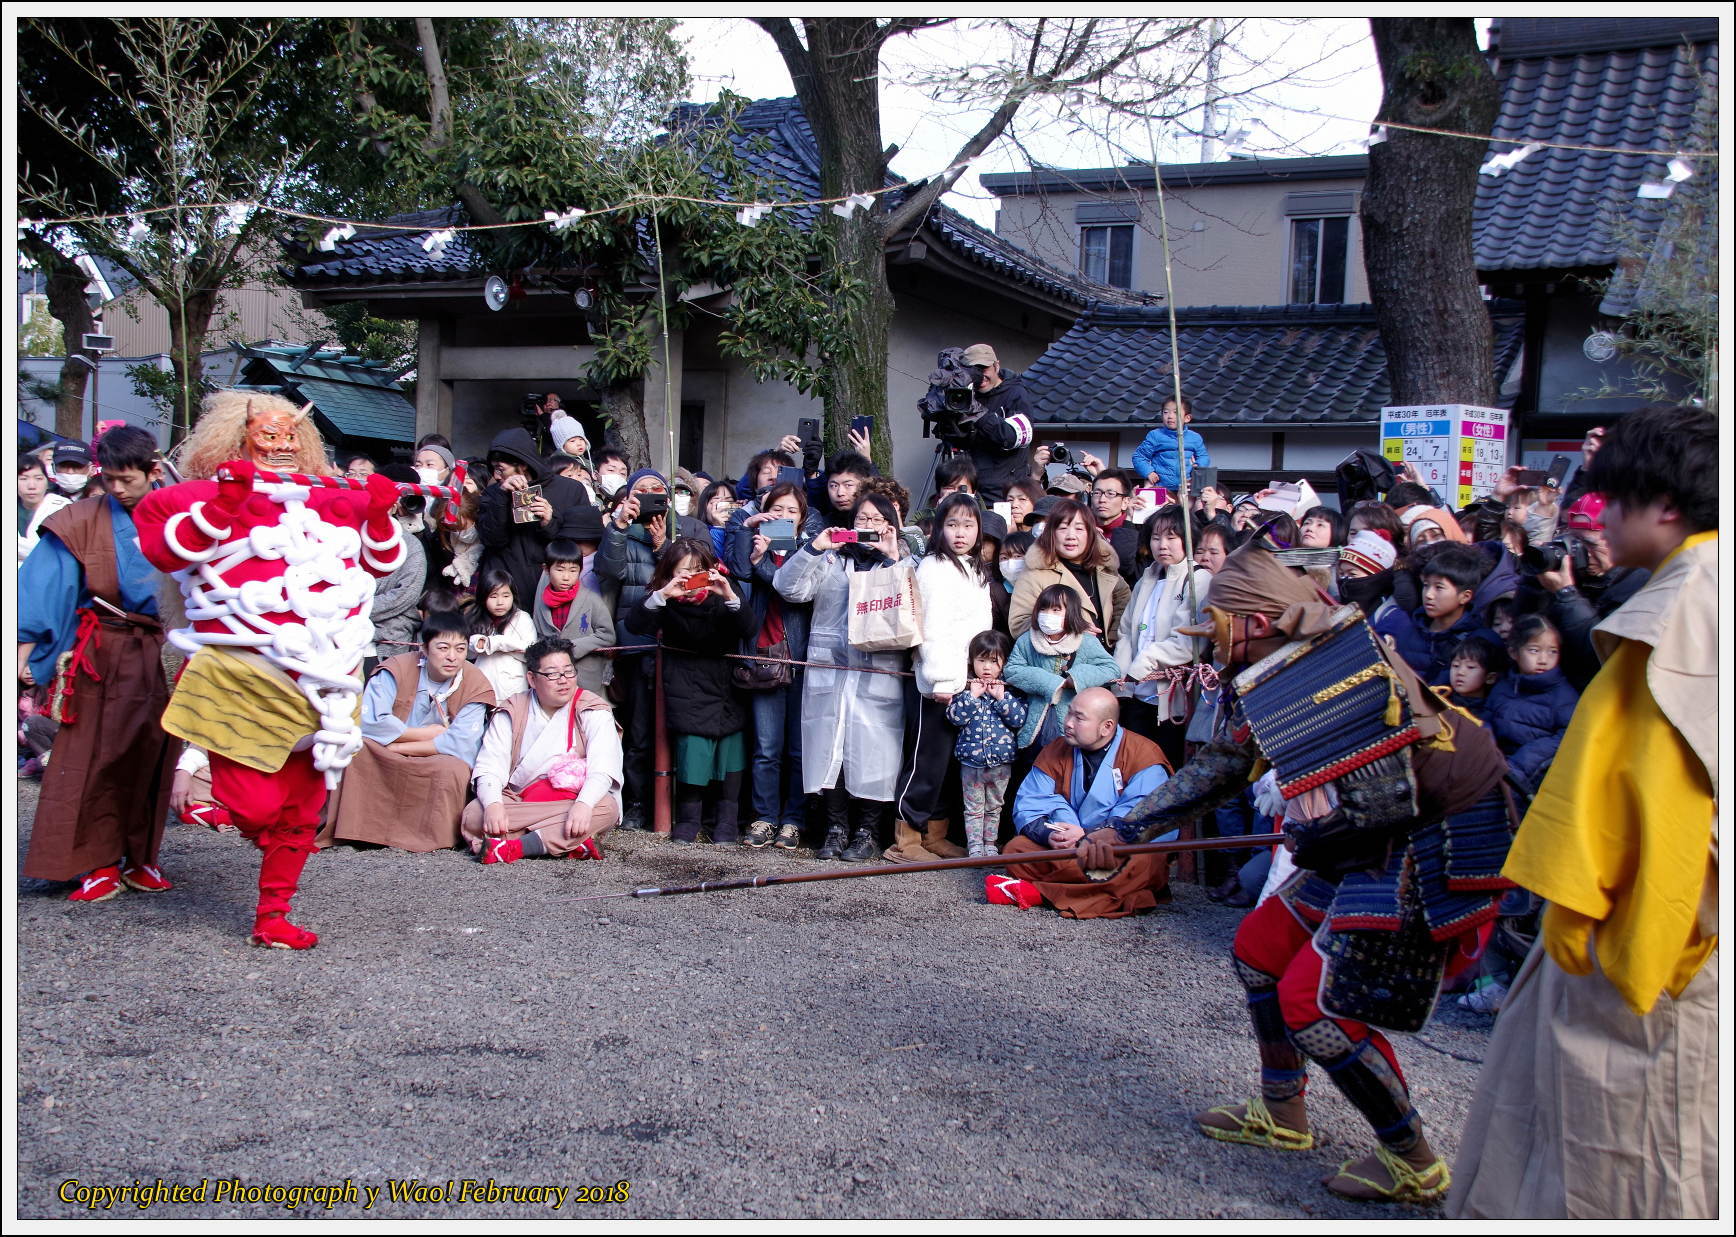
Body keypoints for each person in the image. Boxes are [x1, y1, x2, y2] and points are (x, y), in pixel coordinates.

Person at [1123, 530, 1513, 1204]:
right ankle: (1283, 1111)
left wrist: (1308, 841)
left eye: (1217, 627)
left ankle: (1413, 1158)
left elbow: (1378, 808)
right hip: (1374, 828)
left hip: (1427, 837)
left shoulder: (1334, 667)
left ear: (1253, 623)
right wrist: (1126, 827)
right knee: (1258, 949)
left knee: (1314, 1002)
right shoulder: (1285, 660)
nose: (1211, 641)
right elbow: (1230, 760)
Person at [1449, 403, 1717, 1220]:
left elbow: (1670, 820)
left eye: (1612, 497)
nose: (1594, 514)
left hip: (1654, 958)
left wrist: (1644, 954)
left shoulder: (1681, 617)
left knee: (1624, 1170)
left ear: (1665, 504)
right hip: (1670, 950)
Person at [133, 392, 408, 948]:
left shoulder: (333, 500)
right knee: (255, 802)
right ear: (236, 441)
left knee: (305, 808)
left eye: (291, 438)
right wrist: (222, 505)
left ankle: (273, 915)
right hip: (243, 668)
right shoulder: (191, 498)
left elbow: (382, 562)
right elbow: (167, 553)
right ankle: (258, 838)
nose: (282, 447)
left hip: (329, 670)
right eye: (268, 437)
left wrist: (379, 513)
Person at [18, 425, 179, 904]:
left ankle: (141, 856)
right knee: (95, 757)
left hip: (164, 649)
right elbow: (47, 590)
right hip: (101, 652)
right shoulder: (81, 520)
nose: (116, 488)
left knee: (154, 755)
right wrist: (24, 651)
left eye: (126, 479)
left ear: (153, 471)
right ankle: (96, 860)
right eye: (108, 478)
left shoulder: (183, 517)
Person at [773, 494, 912, 862]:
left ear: (891, 524)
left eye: (877, 518)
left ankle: (866, 832)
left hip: (877, 672)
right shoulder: (833, 559)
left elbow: (914, 606)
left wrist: (894, 558)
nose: (868, 523)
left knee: (874, 754)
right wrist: (815, 548)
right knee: (829, 750)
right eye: (861, 516)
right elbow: (789, 588)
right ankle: (835, 829)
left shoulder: (905, 560)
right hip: (830, 670)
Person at [318, 611, 495, 852]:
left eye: (460, 649)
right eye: (443, 648)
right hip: (389, 747)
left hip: (432, 755)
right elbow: (370, 721)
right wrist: (423, 734)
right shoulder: (396, 669)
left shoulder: (476, 682)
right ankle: (357, 830)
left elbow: (460, 742)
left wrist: (399, 747)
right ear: (424, 647)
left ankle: (431, 838)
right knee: (355, 750)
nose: (452, 657)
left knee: (453, 769)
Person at [992, 687, 1172, 918]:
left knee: (1145, 862)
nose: (1068, 723)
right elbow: (1029, 803)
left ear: (1106, 726)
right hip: (1068, 850)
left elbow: (1143, 818)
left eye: (1079, 718)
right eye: (1069, 713)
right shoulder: (1056, 750)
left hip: (1114, 849)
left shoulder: (1143, 754)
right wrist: (1050, 835)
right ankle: (1105, 894)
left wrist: (1087, 835)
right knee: (1016, 850)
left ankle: (1040, 893)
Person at [625, 538, 756, 845]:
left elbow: (749, 629)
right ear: (670, 572)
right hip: (685, 681)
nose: (691, 578)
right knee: (692, 751)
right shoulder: (666, 598)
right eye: (683, 571)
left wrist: (729, 596)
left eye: (698, 570)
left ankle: (726, 819)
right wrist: (662, 595)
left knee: (730, 752)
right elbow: (634, 625)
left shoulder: (724, 589)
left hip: (725, 681)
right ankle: (689, 819)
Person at [598, 468, 708, 829]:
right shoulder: (622, 528)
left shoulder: (688, 529)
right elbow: (607, 571)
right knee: (640, 728)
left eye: (656, 491)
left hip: (680, 642)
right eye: (640, 490)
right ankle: (637, 804)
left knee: (679, 726)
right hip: (636, 641)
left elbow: (699, 577)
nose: (648, 496)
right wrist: (618, 526)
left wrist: (664, 546)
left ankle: (683, 809)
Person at [890, 492, 993, 863]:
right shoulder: (933, 566)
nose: (960, 532)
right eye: (952, 524)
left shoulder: (974, 568)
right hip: (936, 681)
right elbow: (930, 629)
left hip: (966, 680)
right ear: (939, 529)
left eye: (968, 524)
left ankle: (935, 833)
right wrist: (940, 680)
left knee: (950, 763)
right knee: (926, 760)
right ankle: (907, 839)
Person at [461, 637, 622, 864]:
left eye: (568, 672)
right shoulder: (513, 708)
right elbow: (491, 763)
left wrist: (584, 805)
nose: (563, 681)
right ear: (532, 679)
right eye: (553, 674)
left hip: (571, 800)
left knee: (605, 808)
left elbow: (603, 768)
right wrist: (494, 805)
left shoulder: (592, 709)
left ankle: (514, 846)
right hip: (519, 798)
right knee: (474, 814)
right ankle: (568, 842)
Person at [727, 481, 819, 850]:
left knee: (797, 748)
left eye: (791, 512)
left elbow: (788, 590)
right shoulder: (755, 541)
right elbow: (741, 572)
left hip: (798, 660)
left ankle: (793, 820)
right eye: (776, 510)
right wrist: (748, 532)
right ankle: (764, 816)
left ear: (802, 520)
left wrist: (766, 561)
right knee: (766, 746)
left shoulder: (809, 552)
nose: (783, 517)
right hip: (763, 656)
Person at [1114, 504, 1211, 767]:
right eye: (1156, 537)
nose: (1162, 545)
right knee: (1132, 765)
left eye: (1171, 537)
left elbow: (1187, 641)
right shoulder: (1148, 578)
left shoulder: (1198, 580)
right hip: (1136, 692)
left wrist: (1143, 664)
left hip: (1172, 696)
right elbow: (1126, 631)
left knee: (1166, 763)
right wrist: (1123, 679)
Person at [1523, 492, 1650, 690]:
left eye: (1590, 544)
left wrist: (1567, 595)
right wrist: (1533, 580)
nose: (1582, 553)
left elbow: (1601, 655)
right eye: (1575, 543)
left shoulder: (1642, 582)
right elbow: (1520, 634)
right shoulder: (1568, 575)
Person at [476, 427, 594, 609]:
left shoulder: (570, 490)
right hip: (506, 589)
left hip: (553, 587)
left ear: (522, 464)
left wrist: (549, 521)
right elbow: (491, 539)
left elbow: (581, 546)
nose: (496, 475)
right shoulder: (493, 493)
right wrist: (501, 498)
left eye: (501, 469)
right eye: (493, 469)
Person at [1003, 584, 1123, 755]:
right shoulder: (1027, 640)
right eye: (1043, 609)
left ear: (1071, 612)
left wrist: (1076, 679)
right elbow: (1012, 670)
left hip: (1071, 719)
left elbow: (1111, 668)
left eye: (1056, 609)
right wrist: (1051, 683)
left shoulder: (1086, 642)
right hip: (1035, 721)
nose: (1048, 615)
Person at [1008, 497, 1131, 653]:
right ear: (1051, 533)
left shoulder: (1103, 568)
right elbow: (1018, 625)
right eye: (1063, 528)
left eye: (1079, 528)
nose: (1071, 536)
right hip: (1060, 663)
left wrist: (1113, 637)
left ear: (1090, 533)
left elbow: (1124, 600)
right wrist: (1069, 629)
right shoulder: (1035, 574)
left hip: (1104, 658)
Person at [946, 630, 1028, 858]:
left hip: (1001, 763)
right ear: (972, 661)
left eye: (994, 661)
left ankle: (990, 843)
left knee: (994, 807)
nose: (987, 667)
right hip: (971, 763)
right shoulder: (965, 690)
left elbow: (1019, 719)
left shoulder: (1010, 691)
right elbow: (954, 717)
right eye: (981, 660)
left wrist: (1002, 699)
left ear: (1004, 663)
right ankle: (974, 847)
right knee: (973, 808)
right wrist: (972, 697)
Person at [1373, 542, 1497, 685]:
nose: (1429, 595)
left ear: (1465, 596)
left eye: (1439, 587)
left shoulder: (1477, 642)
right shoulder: (1405, 628)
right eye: (1426, 585)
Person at [1483, 614, 1579, 795]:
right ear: (1514, 653)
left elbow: (1567, 736)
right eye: (1534, 650)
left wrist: (1521, 762)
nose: (1544, 659)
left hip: (1534, 776)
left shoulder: (1563, 695)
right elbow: (1486, 719)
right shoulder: (1504, 686)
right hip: (1497, 764)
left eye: (1552, 651)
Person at [364, 464, 430, 666]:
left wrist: (357, 609)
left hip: (390, 640)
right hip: (344, 638)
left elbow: (405, 595)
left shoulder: (411, 543)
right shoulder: (349, 535)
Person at [530, 539, 615, 695]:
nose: (566, 577)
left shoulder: (590, 599)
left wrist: (572, 647)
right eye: (560, 570)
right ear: (547, 570)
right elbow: (538, 635)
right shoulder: (541, 602)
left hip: (586, 677)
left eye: (573, 570)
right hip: (553, 679)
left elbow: (607, 635)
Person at [468, 565, 537, 702]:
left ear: (513, 596)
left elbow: (531, 651)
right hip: (481, 685)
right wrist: (476, 643)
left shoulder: (522, 618)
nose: (500, 602)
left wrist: (496, 643)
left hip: (512, 687)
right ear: (483, 597)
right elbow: (467, 654)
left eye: (506, 595)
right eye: (493, 596)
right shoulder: (477, 619)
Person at [1130, 395, 1212, 494]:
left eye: (1175, 412)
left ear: (1187, 418)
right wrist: (1148, 472)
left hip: (1187, 487)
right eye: (1165, 412)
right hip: (1161, 487)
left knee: (1191, 506)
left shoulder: (1195, 438)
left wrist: (1198, 465)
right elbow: (1138, 457)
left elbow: (1204, 456)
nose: (1170, 416)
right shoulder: (1155, 436)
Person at [1088, 468, 1142, 585]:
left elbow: (1126, 569)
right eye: (1097, 493)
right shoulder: (1083, 528)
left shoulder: (1138, 532)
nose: (1102, 500)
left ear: (1125, 502)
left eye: (1110, 494)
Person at [18, 453, 73, 561]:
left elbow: (54, 552)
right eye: (23, 479)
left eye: (38, 478)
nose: (32, 486)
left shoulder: (63, 507)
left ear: (47, 482)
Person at [1443, 634, 1503, 722]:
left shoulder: (1492, 714)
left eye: (1470, 667)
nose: (1460, 672)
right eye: (1456, 665)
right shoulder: (1440, 703)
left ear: (1490, 678)